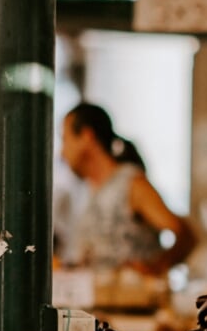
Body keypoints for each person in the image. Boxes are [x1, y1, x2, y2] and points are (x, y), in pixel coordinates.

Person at [56, 103, 196, 273]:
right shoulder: (85, 191)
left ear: (87, 136)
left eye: (65, 139)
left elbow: (186, 235)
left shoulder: (131, 184)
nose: (62, 153)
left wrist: (156, 267)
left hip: (133, 298)